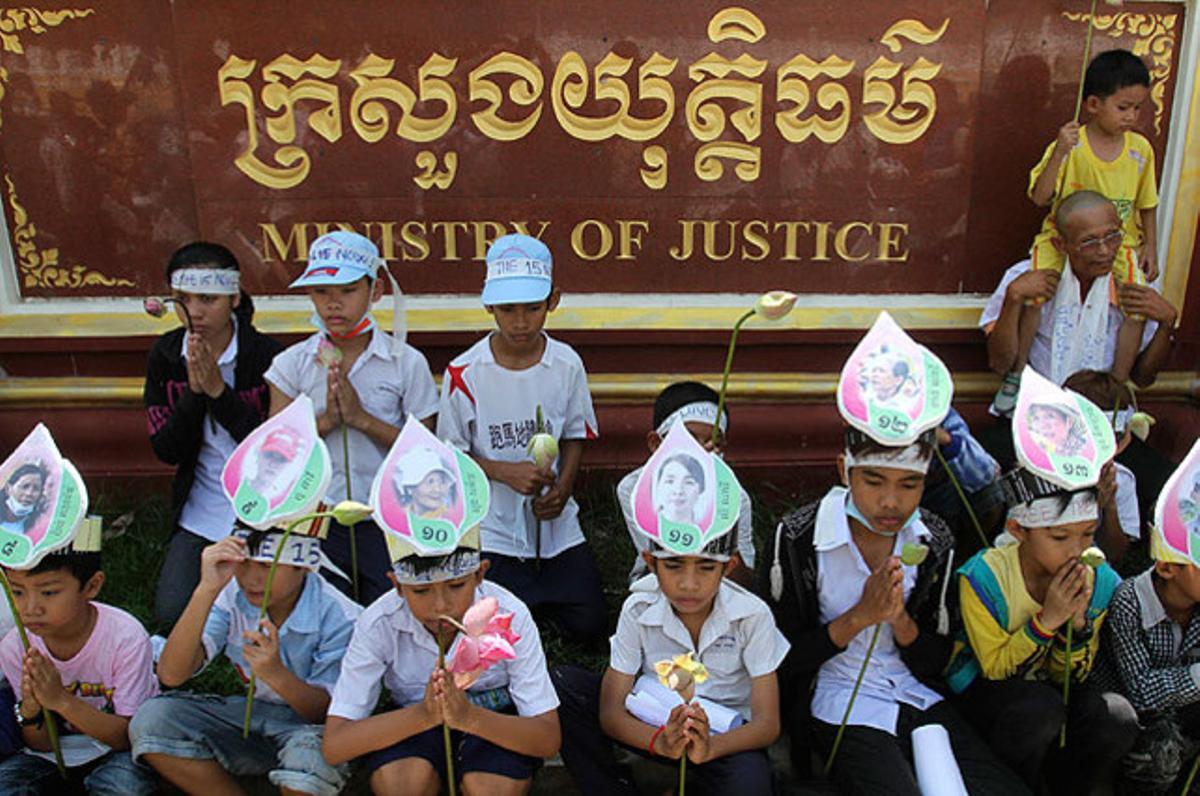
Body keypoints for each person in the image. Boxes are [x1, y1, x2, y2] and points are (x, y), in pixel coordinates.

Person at [759, 321, 1026, 793]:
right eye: (873, 481)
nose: (891, 503)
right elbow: (779, 657)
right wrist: (860, 616)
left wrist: (900, 622)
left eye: (909, 485)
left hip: (914, 692)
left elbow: (940, 657)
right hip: (837, 698)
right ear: (845, 471)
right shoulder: (798, 538)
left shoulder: (934, 538)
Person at [553, 451, 788, 795]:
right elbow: (611, 711)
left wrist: (710, 747)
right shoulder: (639, 609)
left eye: (706, 567)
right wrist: (659, 742)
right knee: (565, 686)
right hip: (654, 723)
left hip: (723, 737)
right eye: (674, 565)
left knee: (751, 782)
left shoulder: (751, 615)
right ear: (650, 562)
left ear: (729, 566)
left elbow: (767, 725)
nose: (689, 583)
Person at [946, 388, 1136, 794]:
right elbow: (995, 668)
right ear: (1018, 530)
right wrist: (1046, 621)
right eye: (1060, 537)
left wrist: (1078, 627)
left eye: (1087, 534)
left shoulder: (1098, 578)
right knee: (1039, 709)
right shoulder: (984, 577)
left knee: (1114, 716)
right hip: (993, 696)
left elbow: (1073, 674)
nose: (1078, 550)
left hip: (1054, 692)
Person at [437, 233, 606, 644]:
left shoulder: (565, 363)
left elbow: (574, 434)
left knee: (591, 625)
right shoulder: (464, 373)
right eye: (508, 309)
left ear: (554, 300)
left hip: (555, 522)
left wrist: (564, 487)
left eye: (532, 308)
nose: (520, 322)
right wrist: (500, 471)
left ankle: (546, 592)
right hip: (494, 525)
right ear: (488, 305)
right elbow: (449, 455)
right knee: (496, 628)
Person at [980, 190, 1178, 520]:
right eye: (1089, 242)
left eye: (1112, 237)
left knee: (1167, 492)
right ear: (1062, 245)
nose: (1104, 251)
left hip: (1106, 429)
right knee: (983, 483)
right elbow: (1000, 363)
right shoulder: (1027, 277)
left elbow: (1143, 378)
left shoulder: (1133, 283)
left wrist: (1167, 324)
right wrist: (1014, 299)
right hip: (1034, 423)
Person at [266, 231, 439, 605]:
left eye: (346, 290)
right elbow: (275, 454)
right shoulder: (290, 365)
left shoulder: (404, 363)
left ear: (374, 292)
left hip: (387, 513)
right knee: (320, 605)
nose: (333, 303)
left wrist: (362, 420)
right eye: (321, 292)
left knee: (393, 605)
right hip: (315, 516)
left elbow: (427, 452)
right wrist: (327, 420)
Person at [130, 519, 359, 796]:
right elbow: (172, 674)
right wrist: (206, 590)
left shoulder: (341, 615)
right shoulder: (231, 594)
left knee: (309, 760)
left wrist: (276, 675)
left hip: (310, 729)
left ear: (303, 565)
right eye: (244, 563)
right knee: (153, 719)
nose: (252, 578)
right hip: (249, 717)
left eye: (266, 566)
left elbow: (330, 715)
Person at [322, 529, 561, 795]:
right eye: (421, 590)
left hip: (495, 720)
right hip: (412, 718)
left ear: (480, 574)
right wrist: (425, 715)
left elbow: (547, 738)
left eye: (456, 586)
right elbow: (336, 745)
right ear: (398, 586)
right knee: (403, 783)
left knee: (489, 787)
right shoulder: (379, 623)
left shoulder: (509, 614)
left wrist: (468, 717)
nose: (440, 606)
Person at [991, 50, 1160, 414]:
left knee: (1134, 305)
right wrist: (1060, 153)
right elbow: (1040, 196)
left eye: (1137, 109)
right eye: (1123, 107)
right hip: (1062, 240)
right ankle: (1018, 373)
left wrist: (1153, 248)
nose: (1131, 117)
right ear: (1094, 105)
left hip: (1121, 243)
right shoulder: (1072, 145)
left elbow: (1148, 202)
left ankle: (1116, 383)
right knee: (1038, 294)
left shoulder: (1140, 150)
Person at [144, 242, 282, 626]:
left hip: (262, 506)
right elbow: (165, 448)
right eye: (184, 300)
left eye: (208, 299)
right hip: (201, 510)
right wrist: (194, 393)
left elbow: (275, 450)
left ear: (234, 297)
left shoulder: (267, 357)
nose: (196, 312)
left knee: (272, 610)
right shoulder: (166, 356)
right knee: (172, 614)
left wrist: (220, 394)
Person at [0, 522, 158, 794]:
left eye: (49, 592)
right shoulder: (16, 646)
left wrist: (61, 700)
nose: (30, 608)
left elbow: (127, 737)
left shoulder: (126, 637)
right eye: (17, 592)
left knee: (125, 788)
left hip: (116, 750)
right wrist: (30, 709)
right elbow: (41, 744)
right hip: (51, 755)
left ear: (92, 586)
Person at [1093, 523, 1200, 791]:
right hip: (1136, 723)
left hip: (1187, 712)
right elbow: (1142, 692)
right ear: (1167, 568)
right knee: (1159, 750)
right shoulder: (1129, 602)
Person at [619, 382, 757, 587]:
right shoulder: (633, 488)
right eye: (689, 439)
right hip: (656, 582)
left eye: (714, 443)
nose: (701, 451)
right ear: (656, 444)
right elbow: (669, 563)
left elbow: (743, 583)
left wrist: (722, 516)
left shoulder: (735, 496)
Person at [394, 448, 455, 519]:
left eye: (442, 482)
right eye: (430, 482)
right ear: (410, 488)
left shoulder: (449, 518)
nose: (437, 489)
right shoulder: (399, 516)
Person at [0, 463, 49, 536]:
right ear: (8, 488)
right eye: (25, 487)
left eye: (36, 488)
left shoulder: (37, 528)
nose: (29, 493)